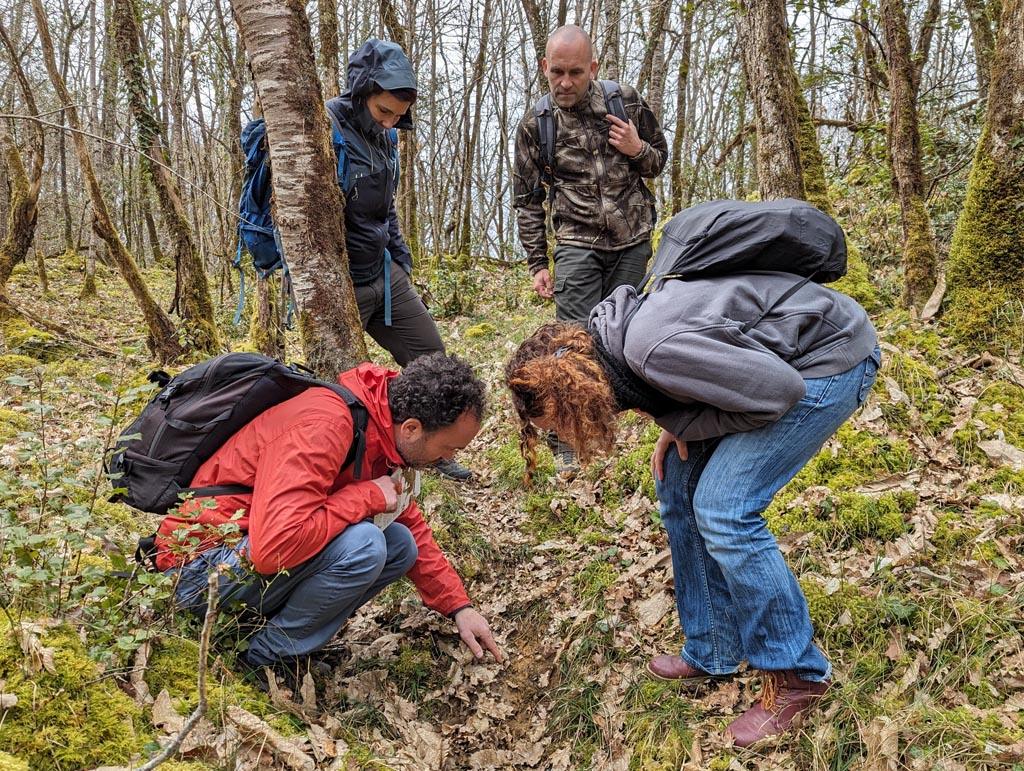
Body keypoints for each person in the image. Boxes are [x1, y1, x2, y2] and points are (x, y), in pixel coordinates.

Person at [504, 274, 880, 748]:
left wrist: (687, 421)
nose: (564, 435)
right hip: (778, 365)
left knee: (725, 508)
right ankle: (715, 647)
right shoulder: (614, 355)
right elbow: (707, 371)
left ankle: (799, 676)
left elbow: (779, 391)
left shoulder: (649, 349)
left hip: (826, 361)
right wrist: (678, 422)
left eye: (557, 423)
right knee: (677, 483)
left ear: (572, 389)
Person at [154, 353, 502, 687]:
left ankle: (267, 634)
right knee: (365, 544)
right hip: (197, 571)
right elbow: (273, 549)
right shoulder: (324, 425)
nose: (450, 458)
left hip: (241, 559)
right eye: (449, 447)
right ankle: (262, 658)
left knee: (399, 544)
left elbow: (407, 521)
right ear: (411, 428)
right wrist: (365, 497)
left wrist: (459, 607)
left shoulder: (380, 434)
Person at [512, 24, 668, 476]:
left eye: (575, 73)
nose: (564, 82)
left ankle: (608, 429)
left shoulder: (626, 102)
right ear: (545, 67)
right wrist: (538, 262)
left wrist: (637, 148)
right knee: (571, 347)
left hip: (632, 241)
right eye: (556, 72)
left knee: (624, 341)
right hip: (576, 244)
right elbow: (526, 201)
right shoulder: (535, 124)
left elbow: (659, 159)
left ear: (592, 68)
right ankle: (566, 444)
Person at [326, 38, 471, 480]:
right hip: (339, 281)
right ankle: (356, 464)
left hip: (383, 273)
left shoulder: (386, 138)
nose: (391, 122)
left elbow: (386, 207)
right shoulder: (325, 126)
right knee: (342, 386)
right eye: (383, 112)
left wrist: (401, 259)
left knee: (431, 357)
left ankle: (434, 449)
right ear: (361, 92)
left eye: (397, 116)